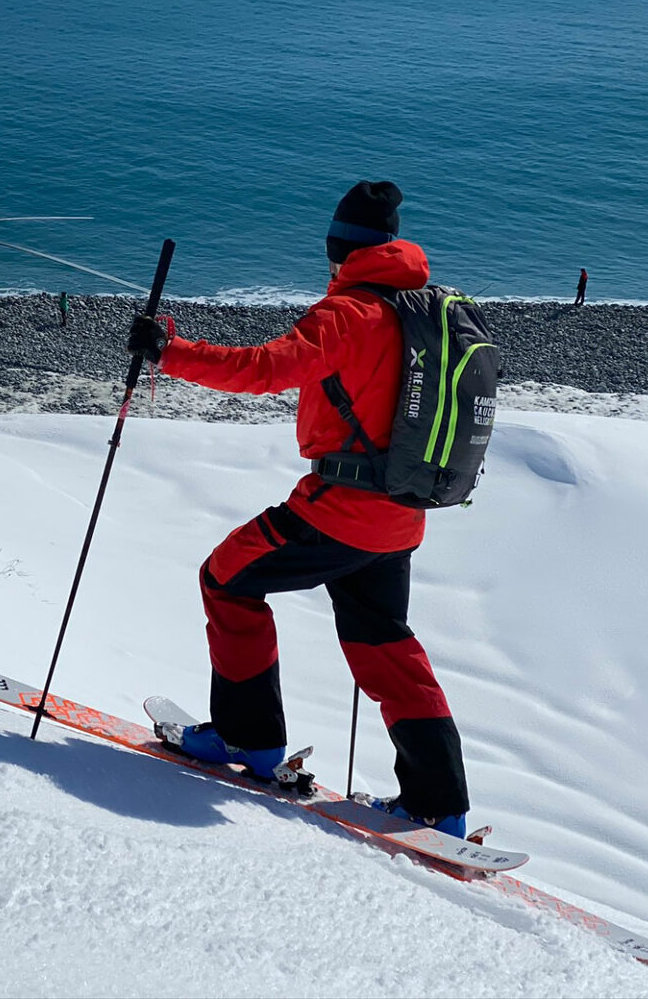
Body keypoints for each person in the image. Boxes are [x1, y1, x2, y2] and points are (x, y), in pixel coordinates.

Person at [125, 180, 471, 838]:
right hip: (403, 510)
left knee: (225, 579)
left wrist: (169, 352)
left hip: (341, 507)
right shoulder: (424, 310)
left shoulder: (348, 315)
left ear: (337, 250)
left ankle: (245, 738)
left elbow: (262, 370)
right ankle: (440, 804)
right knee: (384, 644)